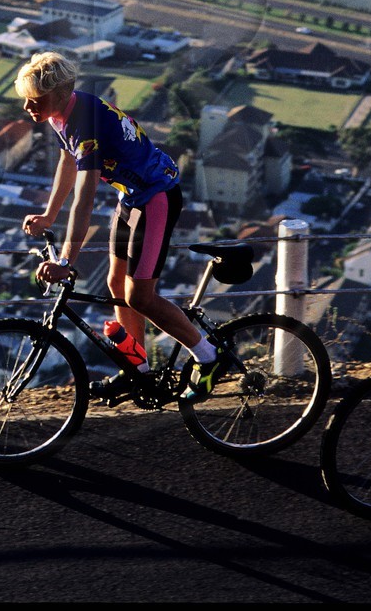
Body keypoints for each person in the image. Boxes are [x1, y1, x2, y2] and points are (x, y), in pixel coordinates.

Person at [15, 51, 224, 401]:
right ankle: (137, 368)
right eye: (25, 99)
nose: (27, 107)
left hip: (157, 196)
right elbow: (68, 160)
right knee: (115, 283)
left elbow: (84, 199)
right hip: (132, 197)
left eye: (35, 100)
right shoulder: (61, 114)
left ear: (61, 93)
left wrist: (66, 261)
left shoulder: (86, 123)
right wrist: (49, 215)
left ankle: (207, 355)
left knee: (139, 296)